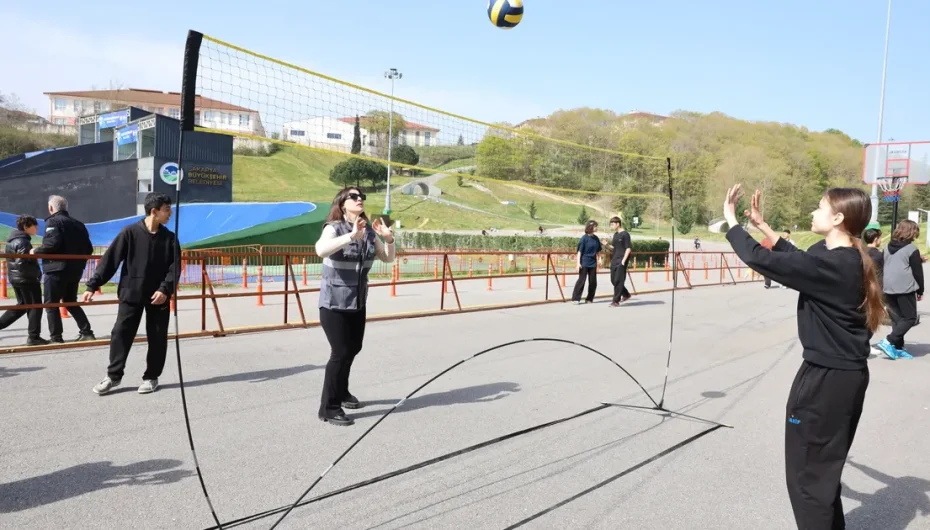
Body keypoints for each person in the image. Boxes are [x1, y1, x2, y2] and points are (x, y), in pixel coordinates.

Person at [723, 184, 884, 530]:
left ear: (838, 217)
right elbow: (801, 260)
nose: (813, 212)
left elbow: (762, 260)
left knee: (807, 480)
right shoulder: (845, 258)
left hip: (825, 380)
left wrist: (730, 222)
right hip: (844, 376)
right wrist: (763, 226)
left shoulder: (833, 266)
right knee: (821, 477)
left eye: (820, 207)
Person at [83, 192, 180, 395]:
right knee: (120, 334)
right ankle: (113, 376)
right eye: (166, 209)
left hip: (158, 296)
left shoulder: (170, 238)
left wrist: (165, 289)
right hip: (131, 293)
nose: (170, 213)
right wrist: (93, 285)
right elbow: (110, 260)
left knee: (157, 337)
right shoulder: (129, 233)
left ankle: (151, 377)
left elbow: (175, 267)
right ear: (154, 211)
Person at [314, 187, 395, 426]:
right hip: (334, 303)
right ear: (342, 202)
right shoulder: (334, 228)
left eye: (362, 197)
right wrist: (350, 236)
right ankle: (329, 407)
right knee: (340, 352)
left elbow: (387, 258)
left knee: (353, 348)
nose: (360, 199)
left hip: (358, 301)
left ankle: (342, 392)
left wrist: (389, 239)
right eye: (354, 196)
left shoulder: (368, 231)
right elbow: (320, 250)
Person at [30, 195, 95, 343]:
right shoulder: (79, 224)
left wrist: (36, 251)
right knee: (70, 301)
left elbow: (52, 244)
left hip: (56, 268)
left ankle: (56, 337)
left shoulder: (53, 221)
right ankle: (87, 332)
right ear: (66, 208)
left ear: (51, 208)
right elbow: (89, 248)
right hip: (76, 269)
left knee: (51, 304)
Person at [875, 219, 923, 360]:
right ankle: (889, 341)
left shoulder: (887, 247)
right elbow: (917, 272)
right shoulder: (912, 249)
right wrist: (920, 290)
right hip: (904, 287)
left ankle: (897, 347)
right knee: (910, 318)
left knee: (897, 318)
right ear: (911, 232)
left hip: (888, 287)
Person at [0, 215, 48, 345]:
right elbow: (22, 263)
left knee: (22, 306)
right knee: (35, 307)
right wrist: (37, 273)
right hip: (26, 279)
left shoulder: (12, 240)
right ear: (26, 227)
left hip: (16, 278)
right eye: (35, 226)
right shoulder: (22, 241)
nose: (37, 228)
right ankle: (34, 337)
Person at [571, 220, 602, 304]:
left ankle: (589, 298)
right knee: (581, 280)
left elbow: (598, 250)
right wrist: (578, 263)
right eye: (595, 226)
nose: (596, 228)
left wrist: (599, 259)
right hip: (584, 262)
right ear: (590, 227)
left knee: (593, 282)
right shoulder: (584, 238)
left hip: (593, 263)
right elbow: (579, 251)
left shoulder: (596, 238)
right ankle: (576, 298)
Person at [607, 216, 632, 306]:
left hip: (621, 260)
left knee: (618, 280)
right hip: (614, 259)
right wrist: (606, 245)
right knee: (613, 280)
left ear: (618, 224)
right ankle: (626, 294)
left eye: (613, 224)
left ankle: (615, 301)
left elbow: (628, 249)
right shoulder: (615, 235)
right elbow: (614, 248)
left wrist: (623, 261)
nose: (611, 226)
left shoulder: (625, 234)